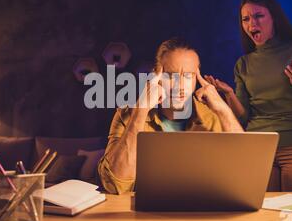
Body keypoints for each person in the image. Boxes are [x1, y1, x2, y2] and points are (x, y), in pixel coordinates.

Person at [206, 0, 292, 192]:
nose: (252, 23)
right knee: (264, 214)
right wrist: (229, 94)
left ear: (274, 18)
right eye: (246, 19)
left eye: (259, 16)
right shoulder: (243, 64)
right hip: (258, 147)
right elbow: (243, 117)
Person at [98, 38, 243, 194]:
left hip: (200, 211)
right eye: (171, 76)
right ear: (156, 77)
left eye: (188, 76)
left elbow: (245, 174)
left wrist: (222, 109)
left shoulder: (212, 116)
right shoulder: (127, 114)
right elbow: (114, 184)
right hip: (145, 215)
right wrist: (141, 111)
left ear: (197, 79)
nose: (180, 86)